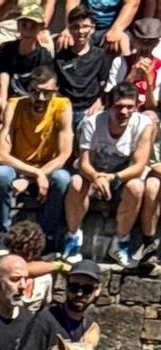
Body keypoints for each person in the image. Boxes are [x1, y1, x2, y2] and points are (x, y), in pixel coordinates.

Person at [63, 77, 155, 259]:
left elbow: (138, 166)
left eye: (130, 107)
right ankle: (73, 237)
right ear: (108, 106)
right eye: (119, 106)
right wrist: (97, 177)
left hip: (121, 179)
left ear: (136, 107)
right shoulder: (92, 123)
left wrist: (111, 178)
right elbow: (84, 163)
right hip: (93, 176)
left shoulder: (143, 125)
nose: (124, 112)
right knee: (75, 183)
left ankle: (121, 241)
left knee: (137, 187)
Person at [0, 59, 73, 247]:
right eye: (35, 92)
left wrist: (37, 175)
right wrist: (35, 175)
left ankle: (47, 238)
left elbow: (64, 154)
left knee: (62, 178)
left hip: (48, 168)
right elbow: (2, 156)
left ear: (56, 91)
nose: (41, 98)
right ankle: (1, 238)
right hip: (20, 167)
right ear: (27, 89)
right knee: (1, 174)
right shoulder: (14, 105)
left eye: (47, 93)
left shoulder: (62, 106)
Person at [55, 3, 119, 114]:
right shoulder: (61, 56)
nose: (80, 32)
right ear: (69, 29)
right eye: (76, 27)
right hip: (65, 108)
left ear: (93, 28)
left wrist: (99, 101)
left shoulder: (100, 56)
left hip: (90, 109)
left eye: (85, 26)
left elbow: (105, 83)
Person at [0, 0, 54, 102]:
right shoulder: (6, 49)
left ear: (40, 28)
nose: (28, 30)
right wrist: (3, 104)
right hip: (9, 100)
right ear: (18, 26)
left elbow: (41, 87)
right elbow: (3, 79)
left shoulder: (44, 56)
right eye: (24, 25)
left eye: (33, 26)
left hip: (31, 102)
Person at [41, 254, 102, 337]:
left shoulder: (90, 327)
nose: (79, 294)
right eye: (74, 287)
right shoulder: (45, 321)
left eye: (86, 289)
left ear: (97, 290)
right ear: (66, 286)